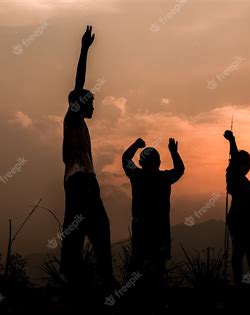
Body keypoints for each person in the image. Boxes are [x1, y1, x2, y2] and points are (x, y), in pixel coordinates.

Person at [60, 25, 114, 289]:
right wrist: (84, 49)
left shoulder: (80, 125)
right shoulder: (73, 118)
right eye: (90, 102)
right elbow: (78, 83)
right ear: (80, 102)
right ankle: (76, 278)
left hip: (86, 182)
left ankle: (103, 280)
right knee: (81, 229)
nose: (94, 106)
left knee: (97, 229)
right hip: (80, 181)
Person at [122, 137, 185, 288]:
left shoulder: (137, 176)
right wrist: (174, 153)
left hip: (140, 232)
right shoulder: (164, 178)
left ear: (141, 163)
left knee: (138, 269)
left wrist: (136, 145)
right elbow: (180, 170)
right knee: (159, 270)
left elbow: (125, 158)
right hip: (160, 232)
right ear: (158, 163)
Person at [223, 130, 250, 286]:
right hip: (239, 220)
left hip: (245, 221)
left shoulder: (244, 181)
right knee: (242, 252)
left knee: (249, 253)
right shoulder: (235, 177)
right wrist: (232, 140)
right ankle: (242, 282)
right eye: (244, 163)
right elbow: (233, 160)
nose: (246, 167)